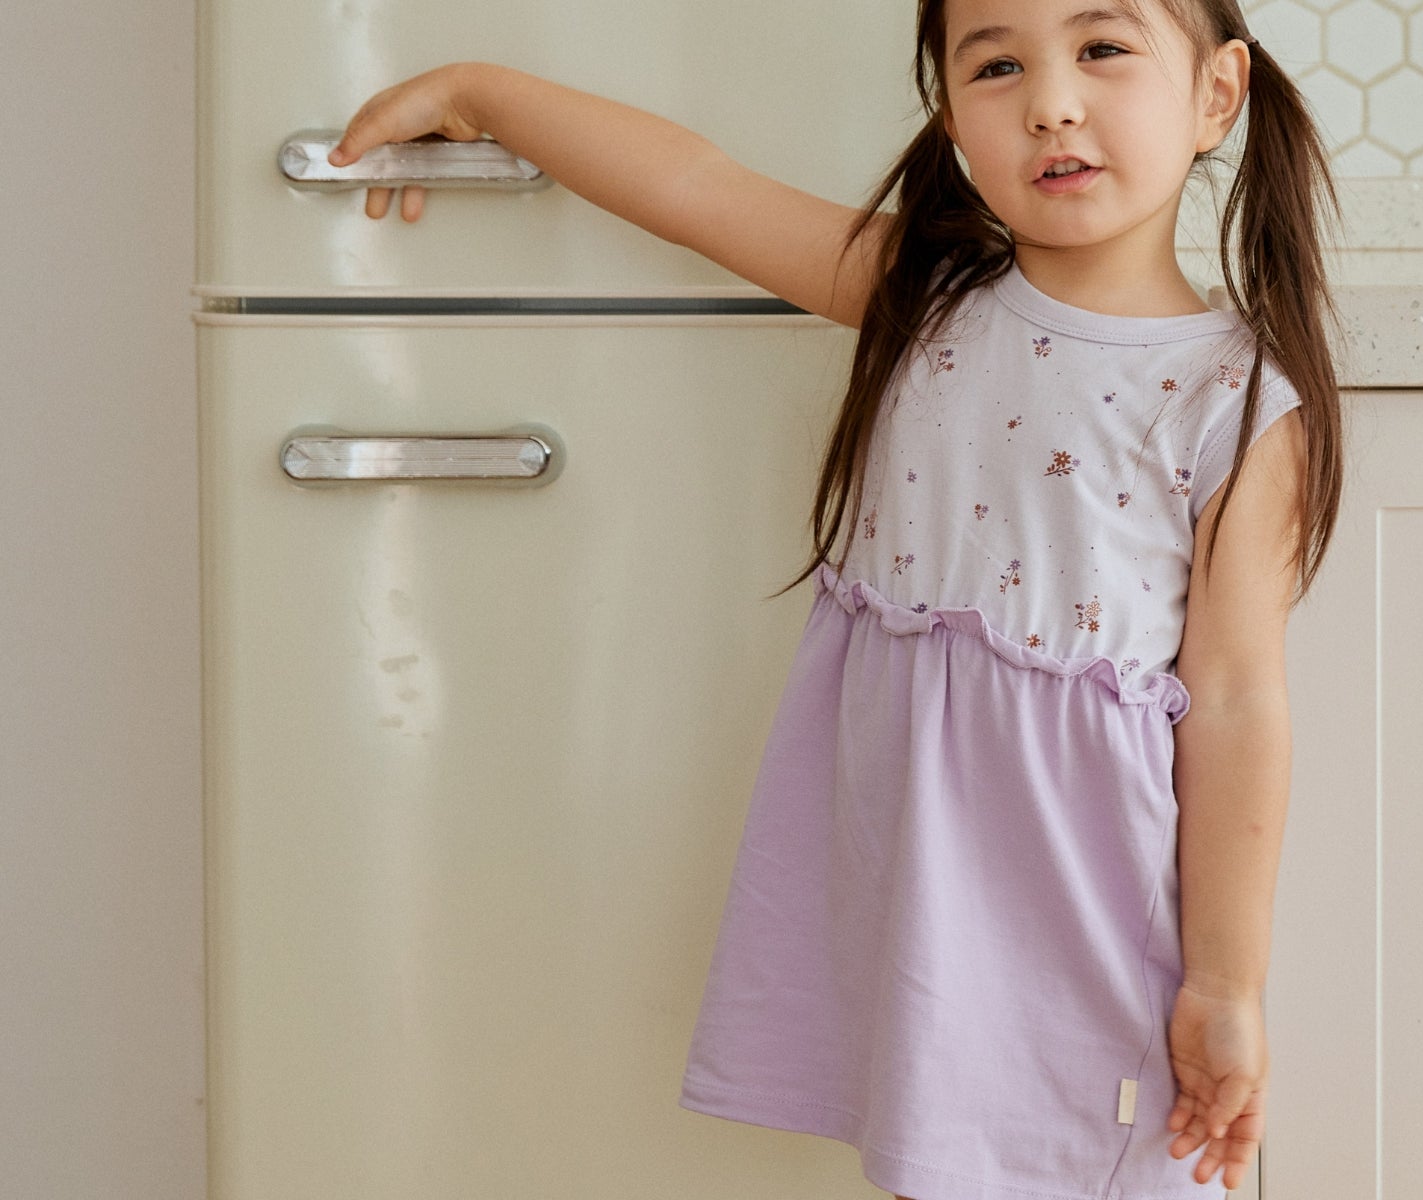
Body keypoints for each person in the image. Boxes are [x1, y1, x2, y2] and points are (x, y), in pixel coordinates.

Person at [327, 1, 1344, 1196]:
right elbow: (698, 187)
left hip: (1079, 895)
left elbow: (1233, 703)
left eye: (1102, 49)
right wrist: (483, 94)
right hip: (912, 867)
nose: (1052, 102)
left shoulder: (1236, 393)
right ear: (951, 113)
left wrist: (1226, 984)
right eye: (997, 63)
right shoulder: (926, 294)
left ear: (1218, 94)